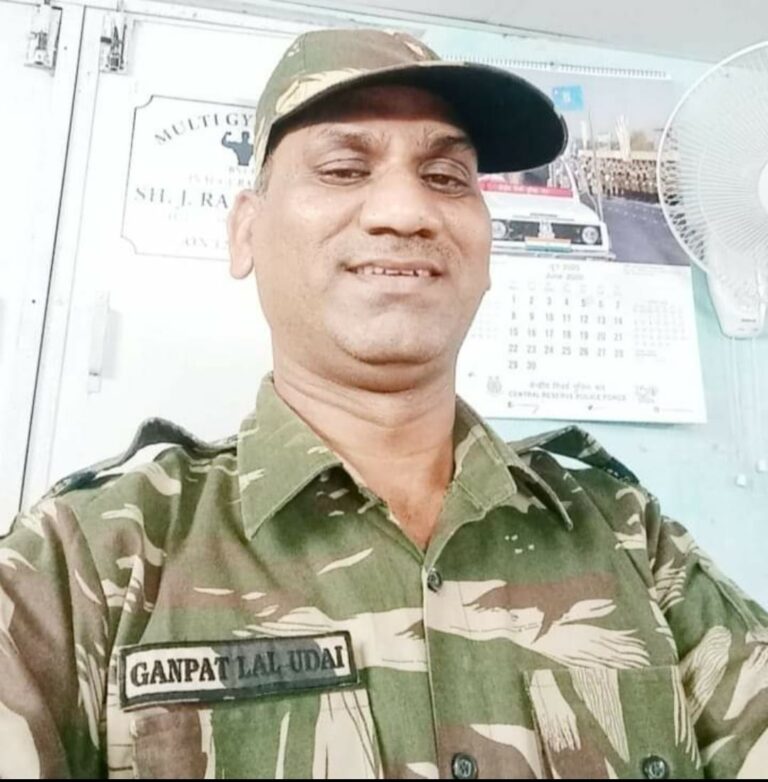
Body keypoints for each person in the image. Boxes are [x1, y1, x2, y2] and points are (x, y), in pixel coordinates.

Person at [1, 27, 766, 780]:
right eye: (343, 168)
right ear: (246, 233)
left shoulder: (626, 533)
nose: (406, 211)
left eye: (447, 178)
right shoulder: (89, 558)